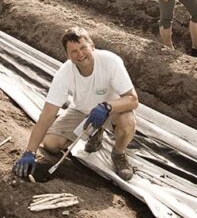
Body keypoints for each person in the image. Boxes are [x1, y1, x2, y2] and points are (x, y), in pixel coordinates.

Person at [12, 27, 139, 181]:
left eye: (83, 48)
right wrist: (30, 152)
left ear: (92, 46)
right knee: (51, 144)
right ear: (67, 55)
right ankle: (95, 132)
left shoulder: (110, 62)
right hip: (81, 110)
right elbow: (47, 115)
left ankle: (118, 154)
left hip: (111, 111)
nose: (80, 54)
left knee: (127, 123)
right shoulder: (64, 74)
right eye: (74, 51)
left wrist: (107, 106)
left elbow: (132, 99)